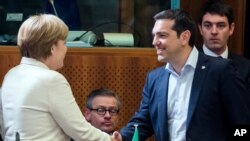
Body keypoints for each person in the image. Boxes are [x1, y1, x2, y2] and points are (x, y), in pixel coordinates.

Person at [120, 9, 250, 141]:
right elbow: (143, 122)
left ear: (184, 37)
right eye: (154, 35)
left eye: (162, 35)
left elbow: (242, 125)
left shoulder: (221, 70)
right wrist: (121, 137)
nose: (154, 42)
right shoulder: (154, 78)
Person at [0, 14, 121, 141]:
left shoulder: (11, 75)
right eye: (64, 43)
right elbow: (79, 130)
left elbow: (3, 127)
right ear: (52, 47)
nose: (66, 49)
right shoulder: (51, 80)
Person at [197, 0, 250, 92]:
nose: (214, 32)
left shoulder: (245, 67)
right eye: (208, 25)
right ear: (200, 29)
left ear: (231, 29)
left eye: (221, 26)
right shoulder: (188, 63)